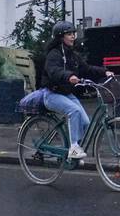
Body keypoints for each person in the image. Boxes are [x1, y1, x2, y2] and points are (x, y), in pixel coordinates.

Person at [41, 21, 112, 160]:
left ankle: (73, 152)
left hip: (67, 94)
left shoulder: (72, 55)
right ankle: (73, 148)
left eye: (73, 33)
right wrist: (69, 76)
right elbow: (54, 71)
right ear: (60, 37)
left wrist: (105, 72)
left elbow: (87, 69)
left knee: (86, 123)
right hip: (52, 95)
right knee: (74, 111)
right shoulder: (54, 54)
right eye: (69, 34)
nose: (73, 36)